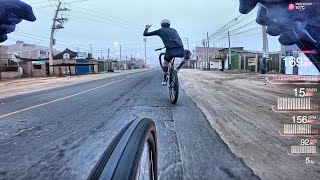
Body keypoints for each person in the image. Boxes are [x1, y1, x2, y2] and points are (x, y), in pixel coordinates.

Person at [143, 19, 191, 86]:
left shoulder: (160, 31)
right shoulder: (174, 30)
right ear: (169, 25)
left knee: (165, 63)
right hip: (180, 50)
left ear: (161, 25)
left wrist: (147, 28)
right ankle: (178, 68)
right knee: (189, 53)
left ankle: (165, 80)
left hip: (170, 51)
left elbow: (145, 34)